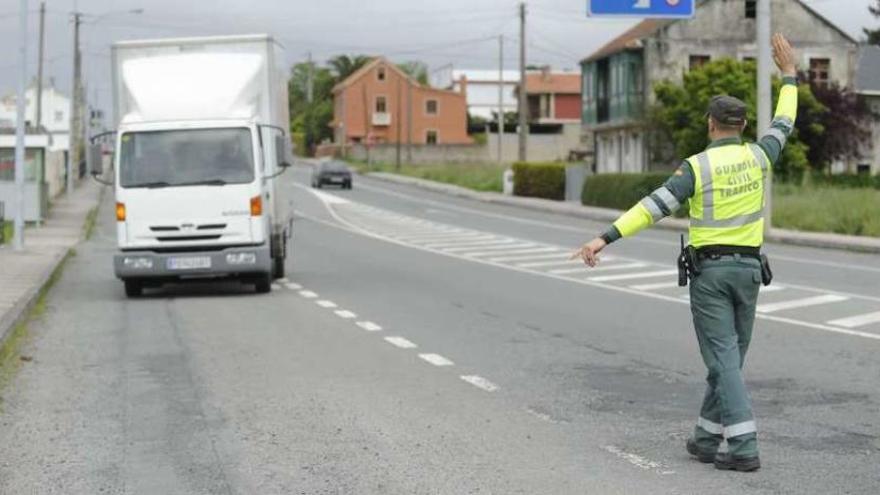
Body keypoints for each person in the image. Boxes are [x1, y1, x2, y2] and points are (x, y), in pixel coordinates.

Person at [572, 33, 799, 472]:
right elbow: (784, 124)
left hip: (711, 276)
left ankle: (745, 445)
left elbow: (653, 207)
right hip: (750, 273)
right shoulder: (759, 156)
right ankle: (705, 437)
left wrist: (605, 237)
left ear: (711, 124)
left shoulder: (697, 167)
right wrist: (789, 77)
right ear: (744, 126)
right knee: (729, 358)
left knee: (723, 359)